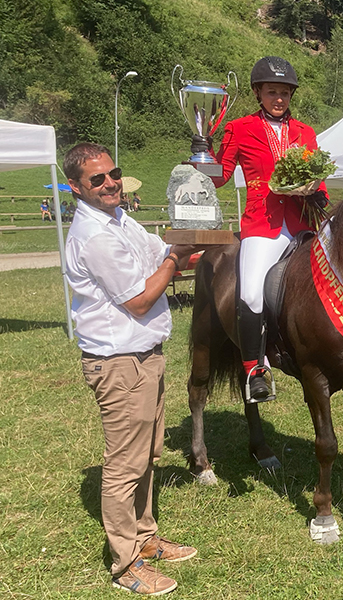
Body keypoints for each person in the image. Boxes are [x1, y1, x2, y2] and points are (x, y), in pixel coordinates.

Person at [63, 142, 198, 596]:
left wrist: (206, 243)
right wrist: (177, 257)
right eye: (96, 179)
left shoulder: (120, 219)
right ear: (75, 188)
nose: (109, 183)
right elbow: (140, 299)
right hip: (120, 363)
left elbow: (162, 253)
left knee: (149, 455)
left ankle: (145, 538)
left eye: (113, 173)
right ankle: (126, 566)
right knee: (124, 466)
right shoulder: (95, 235)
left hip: (146, 355)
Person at [210, 56, 329, 402]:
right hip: (264, 223)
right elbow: (219, 177)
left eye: (285, 93)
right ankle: (254, 370)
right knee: (249, 294)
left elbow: (316, 176)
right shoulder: (239, 128)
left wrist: (318, 195)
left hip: (303, 222)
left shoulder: (305, 132)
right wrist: (202, 152)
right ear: (258, 92)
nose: (279, 99)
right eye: (272, 92)